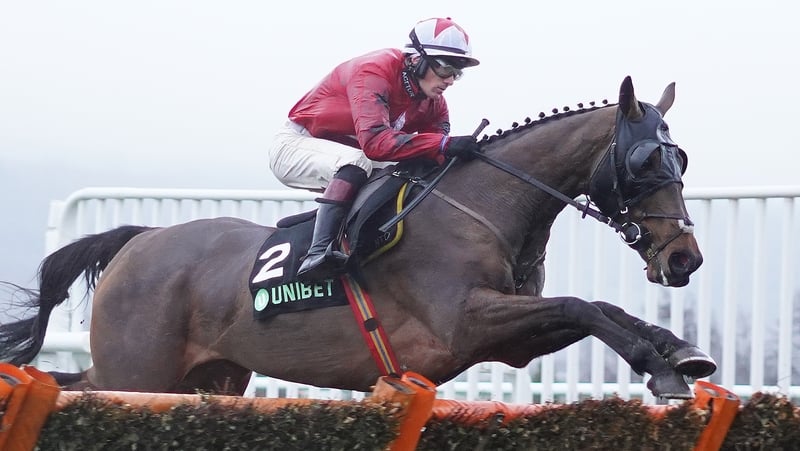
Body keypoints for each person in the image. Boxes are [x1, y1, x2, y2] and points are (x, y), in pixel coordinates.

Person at [268, 17, 481, 281]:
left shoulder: (435, 103)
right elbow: (375, 144)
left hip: (353, 154)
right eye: (446, 68)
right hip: (296, 144)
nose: (450, 80)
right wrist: (444, 144)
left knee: (412, 173)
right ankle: (318, 254)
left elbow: (433, 157)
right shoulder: (374, 70)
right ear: (416, 59)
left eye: (457, 72)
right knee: (356, 162)